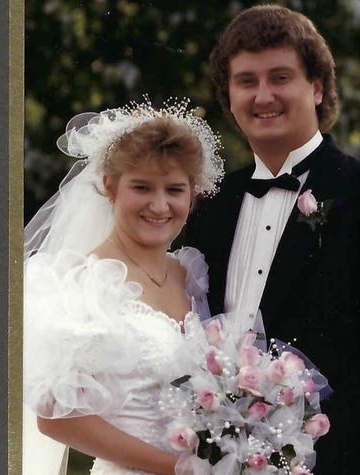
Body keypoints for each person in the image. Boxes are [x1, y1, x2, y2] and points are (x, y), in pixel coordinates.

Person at [183, 6, 360, 474]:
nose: (263, 96)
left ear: (317, 87)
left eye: (280, 77)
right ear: (230, 96)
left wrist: (291, 445)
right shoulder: (205, 206)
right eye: (246, 81)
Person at [22, 101, 224, 475]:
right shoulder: (83, 282)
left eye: (174, 189)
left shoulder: (188, 273)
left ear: (192, 195)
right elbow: (55, 418)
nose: (160, 205)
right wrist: (179, 469)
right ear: (110, 187)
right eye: (142, 187)